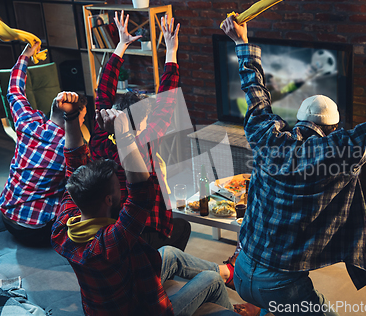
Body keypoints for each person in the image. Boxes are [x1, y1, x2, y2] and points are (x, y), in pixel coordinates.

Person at [221, 15, 366, 315]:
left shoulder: (267, 137)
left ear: (298, 120)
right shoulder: (337, 151)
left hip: (241, 273)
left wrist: (241, 42)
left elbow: (255, 94)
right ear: (334, 129)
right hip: (279, 285)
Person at [51, 93, 237, 316]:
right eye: (117, 187)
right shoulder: (110, 242)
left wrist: (70, 118)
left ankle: (228, 272)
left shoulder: (63, 228)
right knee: (211, 280)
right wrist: (124, 134)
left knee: (169, 252)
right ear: (109, 200)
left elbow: (74, 163)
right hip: (143, 310)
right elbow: (141, 193)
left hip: (124, 288)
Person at [89, 11, 191, 251]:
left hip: (111, 233)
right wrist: (171, 49)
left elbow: (103, 94)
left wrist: (121, 45)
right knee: (183, 227)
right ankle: (156, 267)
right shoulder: (144, 141)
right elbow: (167, 98)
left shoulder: (101, 139)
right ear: (142, 122)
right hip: (142, 234)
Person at [0, 42, 87, 246]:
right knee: (85, 193)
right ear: (74, 118)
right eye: (81, 119)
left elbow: (13, 91)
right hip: (35, 230)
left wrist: (26, 54)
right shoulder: (70, 149)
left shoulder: (27, 122)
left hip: (6, 216)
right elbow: (82, 176)